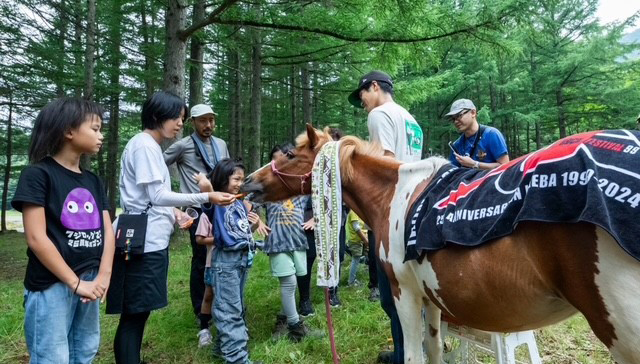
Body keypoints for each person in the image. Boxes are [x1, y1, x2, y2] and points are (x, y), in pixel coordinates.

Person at [106, 91, 236, 364]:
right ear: (157, 116)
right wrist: (206, 196)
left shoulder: (150, 146)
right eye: (177, 117)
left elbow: (151, 196)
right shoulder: (144, 146)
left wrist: (175, 212)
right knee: (134, 314)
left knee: (138, 312)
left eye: (182, 118)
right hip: (143, 240)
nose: (180, 123)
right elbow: (156, 196)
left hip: (150, 237)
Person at [11, 98, 115, 363]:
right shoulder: (37, 175)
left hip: (91, 281)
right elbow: (36, 238)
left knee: (85, 349)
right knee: (52, 356)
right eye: (95, 128)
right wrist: (74, 282)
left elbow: (107, 232)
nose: (100, 135)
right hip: (52, 285)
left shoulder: (92, 180)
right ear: (69, 131)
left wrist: (103, 277)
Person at [348, 70, 424, 364]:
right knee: (411, 288)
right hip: (416, 206)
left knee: (392, 296)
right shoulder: (410, 119)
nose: (363, 102)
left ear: (375, 87)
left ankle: (405, 356)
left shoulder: (379, 115)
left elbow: (386, 165)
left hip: (393, 211)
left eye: (363, 95)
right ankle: (412, 350)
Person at [197, 158, 267, 364]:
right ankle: (237, 359)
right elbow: (208, 200)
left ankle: (221, 348)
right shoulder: (217, 200)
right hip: (226, 261)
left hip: (242, 260)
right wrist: (206, 186)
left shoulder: (238, 202)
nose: (240, 183)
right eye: (236, 179)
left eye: (242, 179)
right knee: (230, 311)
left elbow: (241, 231)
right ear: (222, 178)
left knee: (233, 306)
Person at [164, 103, 230, 321]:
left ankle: (221, 300)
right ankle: (200, 309)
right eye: (203, 120)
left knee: (221, 253)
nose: (208, 125)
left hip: (220, 207)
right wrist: (171, 198)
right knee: (201, 257)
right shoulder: (183, 146)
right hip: (197, 209)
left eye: (211, 120)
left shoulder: (221, 144)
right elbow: (158, 165)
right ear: (192, 122)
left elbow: (226, 172)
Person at [265, 144, 322, 342]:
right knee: (288, 283)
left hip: (298, 242)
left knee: (293, 283)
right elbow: (248, 204)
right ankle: (296, 327)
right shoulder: (267, 188)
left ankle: (283, 319)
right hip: (278, 242)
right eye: (276, 161)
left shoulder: (299, 189)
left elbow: (319, 202)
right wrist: (254, 221)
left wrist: (315, 218)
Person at [446, 99, 509, 170]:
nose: (456, 121)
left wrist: (475, 164)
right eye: (453, 119)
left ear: (473, 112)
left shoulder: (491, 134)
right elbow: (453, 171)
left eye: (459, 116)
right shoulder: (457, 145)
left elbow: (505, 166)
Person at [346, 210, 368, 286]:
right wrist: (365, 240)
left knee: (360, 258)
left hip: (361, 239)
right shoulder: (353, 212)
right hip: (355, 240)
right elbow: (356, 227)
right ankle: (351, 281)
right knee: (355, 259)